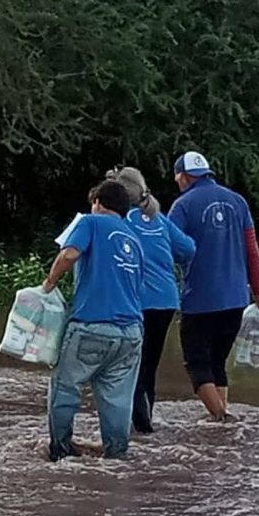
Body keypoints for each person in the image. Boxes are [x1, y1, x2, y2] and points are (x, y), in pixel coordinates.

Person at [41, 179, 144, 461]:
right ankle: (116, 456)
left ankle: (59, 451)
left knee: (65, 388)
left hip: (91, 327)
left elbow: (69, 254)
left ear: (97, 203)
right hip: (131, 333)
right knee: (118, 399)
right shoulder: (135, 238)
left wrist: (49, 283)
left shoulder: (89, 222)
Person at [168, 150, 259, 421]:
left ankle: (223, 420)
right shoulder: (238, 202)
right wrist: (258, 289)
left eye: (178, 178)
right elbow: (252, 250)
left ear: (185, 177)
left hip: (199, 298)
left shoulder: (183, 206)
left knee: (197, 364)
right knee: (217, 363)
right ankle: (218, 421)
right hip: (236, 299)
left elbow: (172, 249)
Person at [108, 166, 196, 434]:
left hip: (137, 300)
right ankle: (145, 419)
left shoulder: (122, 220)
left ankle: (139, 424)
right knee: (150, 362)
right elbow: (189, 248)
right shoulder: (158, 218)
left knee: (132, 363)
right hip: (167, 300)